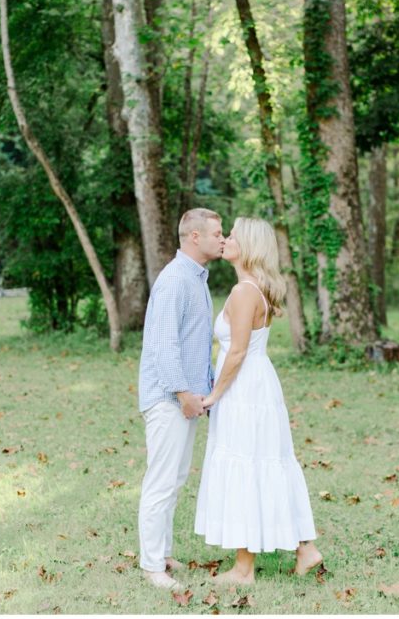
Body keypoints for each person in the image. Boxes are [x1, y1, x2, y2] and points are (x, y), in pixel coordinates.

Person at [194, 217, 322, 584]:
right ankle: (305, 548)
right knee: (269, 462)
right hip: (259, 384)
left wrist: (214, 395)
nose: (226, 240)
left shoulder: (243, 292)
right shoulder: (256, 287)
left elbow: (235, 353)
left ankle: (244, 568)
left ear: (247, 246)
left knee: (246, 465)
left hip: (243, 389)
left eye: (232, 235)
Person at [137, 208, 224, 590]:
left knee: (174, 479)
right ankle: (152, 566)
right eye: (217, 233)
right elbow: (163, 345)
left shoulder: (196, 278)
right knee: (160, 481)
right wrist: (184, 393)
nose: (222, 239)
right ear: (194, 237)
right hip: (169, 397)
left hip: (187, 397)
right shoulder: (175, 280)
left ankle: (164, 553)